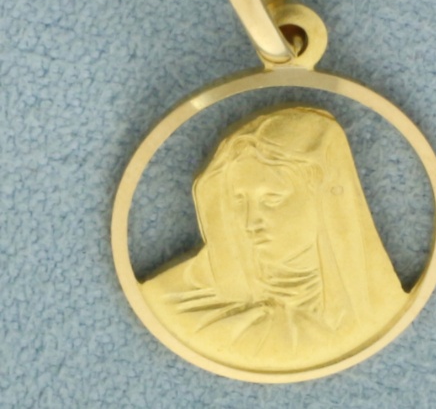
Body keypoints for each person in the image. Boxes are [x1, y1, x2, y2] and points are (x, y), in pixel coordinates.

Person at [140, 106, 408, 371]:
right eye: (239, 200)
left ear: (322, 197)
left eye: (271, 199)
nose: (250, 221)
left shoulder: (377, 307)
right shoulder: (178, 302)